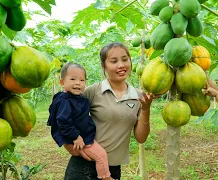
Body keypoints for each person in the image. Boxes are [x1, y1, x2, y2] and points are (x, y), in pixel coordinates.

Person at [63, 42, 155, 180]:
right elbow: (62, 114)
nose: (121, 65)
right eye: (114, 61)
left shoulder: (138, 96)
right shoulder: (93, 91)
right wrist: (68, 145)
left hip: (113, 169)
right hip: (83, 167)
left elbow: (141, 138)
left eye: (125, 59)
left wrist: (146, 108)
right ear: (103, 66)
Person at [47, 62, 113, 180]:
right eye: (73, 79)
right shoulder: (65, 101)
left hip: (81, 137)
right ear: (62, 82)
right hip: (80, 140)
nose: (78, 83)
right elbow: (63, 121)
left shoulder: (74, 98)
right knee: (101, 156)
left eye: (82, 80)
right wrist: (76, 136)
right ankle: (105, 177)